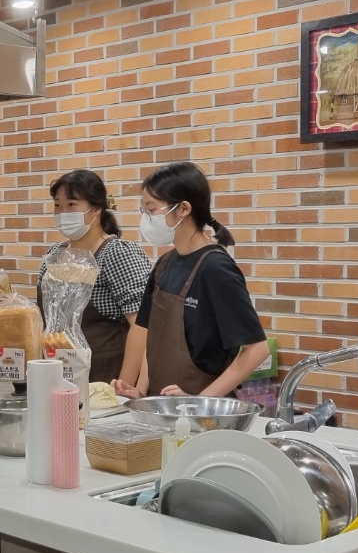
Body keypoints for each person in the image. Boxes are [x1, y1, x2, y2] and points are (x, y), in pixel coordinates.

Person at [115, 162, 269, 400]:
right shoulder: (164, 265)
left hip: (204, 415)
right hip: (161, 407)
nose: (146, 219)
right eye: (143, 211)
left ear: (183, 209)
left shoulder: (216, 268)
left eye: (152, 210)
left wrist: (199, 403)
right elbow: (154, 339)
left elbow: (257, 349)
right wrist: (142, 391)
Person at [38, 170, 152, 385]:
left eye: (72, 204)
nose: (63, 213)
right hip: (57, 377)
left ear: (97, 208)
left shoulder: (118, 253)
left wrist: (124, 386)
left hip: (106, 379)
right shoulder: (53, 256)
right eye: (57, 205)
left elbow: (141, 324)